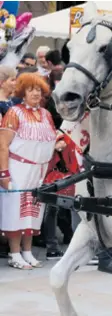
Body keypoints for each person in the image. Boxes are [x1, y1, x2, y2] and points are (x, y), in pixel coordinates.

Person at [0, 73, 58, 269]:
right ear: (22, 92)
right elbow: (3, 145)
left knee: (33, 212)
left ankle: (27, 252)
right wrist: (4, 174)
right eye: (31, 89)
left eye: (39, 89)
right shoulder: (14, 113)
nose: (36, 93)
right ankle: (14, 253)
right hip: (18, 168)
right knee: (15, 211)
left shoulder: (46, 114)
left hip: (38, 171)